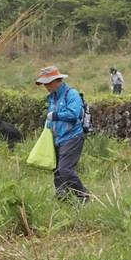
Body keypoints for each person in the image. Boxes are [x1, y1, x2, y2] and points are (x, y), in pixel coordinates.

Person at [35, 65, 89, 202]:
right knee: (57, 170)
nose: (46, 86)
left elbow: (73, 114)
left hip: (73, 136)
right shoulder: (52, 97)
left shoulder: (71, 94)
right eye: (44, 83)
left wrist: (55, 116)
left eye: (48, 83)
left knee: (65, 169)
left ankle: (84, 196)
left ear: (57, 80)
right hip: (58, 138)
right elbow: (52, 118)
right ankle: (62, 198)